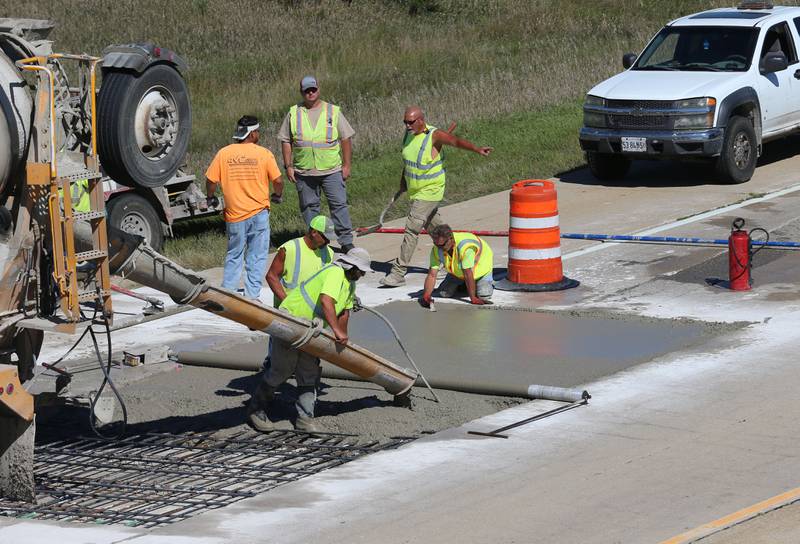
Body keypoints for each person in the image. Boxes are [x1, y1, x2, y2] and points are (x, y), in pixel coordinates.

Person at [248, 247, 372, 432]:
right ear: (350, 266)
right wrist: (337, 331)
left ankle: (305, 419)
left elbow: (344, 312)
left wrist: (343, 337)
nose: (362, 274)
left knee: (308, 373)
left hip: (311, 330)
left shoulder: (350, 283)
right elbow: (326, 301)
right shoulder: (335, 273)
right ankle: (256, 409)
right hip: (291, 320)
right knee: (281, 370)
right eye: (360, 270)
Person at [380, 106, 492, 287]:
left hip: (431, 190)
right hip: (416, 190)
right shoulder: (408, 136)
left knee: (412, 227)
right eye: (405, 122)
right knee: (436, 228)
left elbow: (455, 141)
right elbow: (408, 161)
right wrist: (404, 182)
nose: (407, 126)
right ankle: (448, 260)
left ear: (420, 120)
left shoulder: (435, 135)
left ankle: (398, 272)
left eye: (410, 122)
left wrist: (477, 149)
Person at [206, 115, 283, 299]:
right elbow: (278, 180)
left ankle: (229, 293)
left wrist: (210, 196)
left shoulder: (224, 153)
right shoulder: (264, 154)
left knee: (234, 254)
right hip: (259, 214)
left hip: (235, 215)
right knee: (256, 257)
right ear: (253, 133)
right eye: (258, 132)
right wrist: (277, 194)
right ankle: (252, 296)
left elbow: (210, 180)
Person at [279, 75, 356, 252]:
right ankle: (317, 240)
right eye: (307, 91)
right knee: (309, 208)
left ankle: (346, 241)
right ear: (302, 92)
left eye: (313, 89)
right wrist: (288, 166)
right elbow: (285, 140)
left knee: (338, 205)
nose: (310, 93)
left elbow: (346, 138)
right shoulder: (293, 113)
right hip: (304, 171)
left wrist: (347, 165)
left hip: (331, 170)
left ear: (318, 89)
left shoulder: (332, 111)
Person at [265, 214, 335, 306]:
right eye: (325, 238)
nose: (328, 242)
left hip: (312, 311)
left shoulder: (329, 253)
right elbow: (272, 276)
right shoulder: (290, 248)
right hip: (287, 311)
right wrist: (287, 304)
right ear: (314, 232)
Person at [419, 224, 494, 307]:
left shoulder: (465, 247)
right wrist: (426, 295)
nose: (439, 248)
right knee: (444, 293)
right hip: (458, 272)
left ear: (450, 239)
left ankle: (479, 283)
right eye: (436, 244)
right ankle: (465, 285)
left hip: (480, 272)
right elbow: (432, 275)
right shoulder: (437, 248)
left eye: (442, 245)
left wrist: (473, 298)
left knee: (484, 295)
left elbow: (468, 273)